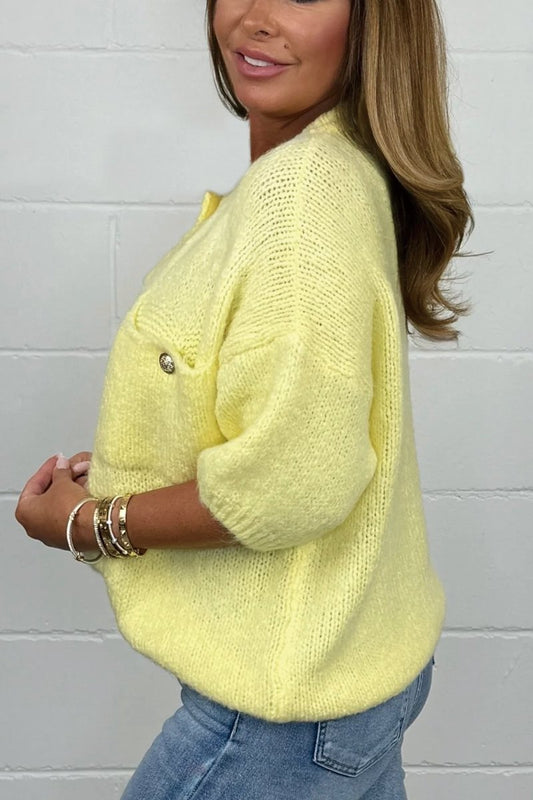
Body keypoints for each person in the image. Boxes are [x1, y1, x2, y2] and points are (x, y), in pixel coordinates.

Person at [15, 0, 472, 797]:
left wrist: (91, 524)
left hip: (280, 718)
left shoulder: (300, 202)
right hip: (352, 676)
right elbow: (292, 428)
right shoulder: (335, 167)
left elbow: (288, 487)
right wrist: (139, 468)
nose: (254, 18)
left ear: (374, 21)